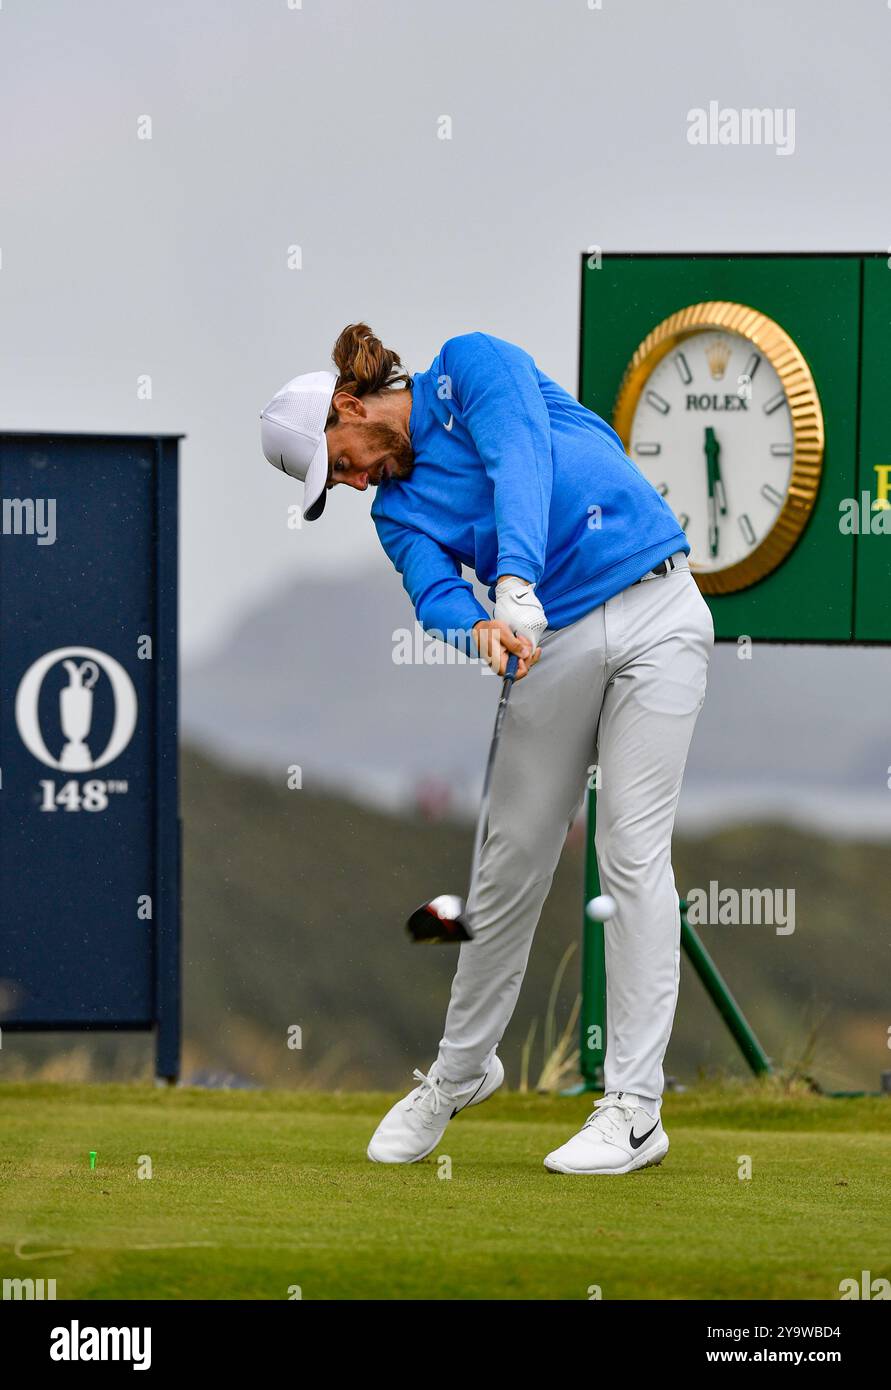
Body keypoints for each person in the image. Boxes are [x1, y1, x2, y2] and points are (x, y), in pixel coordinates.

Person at [260, 323, 714, 1176]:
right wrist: (480, 630)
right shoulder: (396, 512)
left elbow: (520, 459)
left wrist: (512, 580)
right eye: (337, 485)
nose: (354, 483)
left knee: (630, 854)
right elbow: (432, 591)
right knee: (506, 871)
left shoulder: (471, 365)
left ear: (350, 405)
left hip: (658, 606)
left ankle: (633, 1110)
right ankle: (459, 1074)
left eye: (342, 461)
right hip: (550, 645)